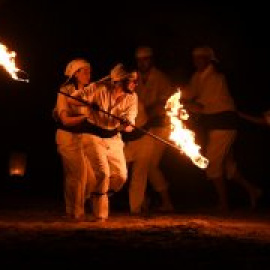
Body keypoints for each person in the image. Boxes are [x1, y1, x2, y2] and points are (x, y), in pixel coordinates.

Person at [182, 46, 262, 212]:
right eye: (194, 58)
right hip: (216, 126)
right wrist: (174, 98)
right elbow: (188, 94)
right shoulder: (198, 77)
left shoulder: (216, 78)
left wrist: (180, 104)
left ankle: (224, 204)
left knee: (212, 165)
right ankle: (253, 190)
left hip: (224, 125)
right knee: (227, 166)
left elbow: (200, 106)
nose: (196, 61)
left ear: (208, 60)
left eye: (200, 58)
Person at [69, 63, 138, 221]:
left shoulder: (133, 97)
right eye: (132, 80)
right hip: (93, 135)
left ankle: (95, 193)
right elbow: (73, 100)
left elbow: (130, 126)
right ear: (120, 80)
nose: (135, 84)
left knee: (120, 177)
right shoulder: (99, 88)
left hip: (113, 137)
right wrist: (87, 103)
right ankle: (100, 216)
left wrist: (126, 123)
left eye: (136, 81)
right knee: (103, 174)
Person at [123, 46, 174, 215]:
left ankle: (166, 202)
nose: (142, 63)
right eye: (139, 60)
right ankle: (143, 201)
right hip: (140, 127)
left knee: (150, 164)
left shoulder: (161, 78)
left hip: (160, 126)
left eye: (145, 59)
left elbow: (165, 103)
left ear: (151, 60)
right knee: (139, 164)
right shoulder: (134, 77)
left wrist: (145, 110)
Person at [54, 58, 95, 221]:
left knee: (90, 177)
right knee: (76, 175)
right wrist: (86, 117)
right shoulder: (64, 91)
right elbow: (65, 120)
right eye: (84, 71)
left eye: (89, 71)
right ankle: (76, 212)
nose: (88, 74)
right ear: (75, 74)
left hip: (83, 137)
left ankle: (73, 209)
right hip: (66, 137)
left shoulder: (90, 91)